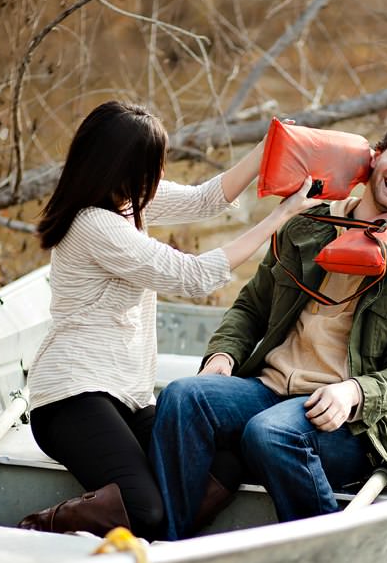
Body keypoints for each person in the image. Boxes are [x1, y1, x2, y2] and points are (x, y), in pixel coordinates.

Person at [150, 114, 387, 539]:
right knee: (184, 396)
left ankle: (323, 555)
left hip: (351, 426)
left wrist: (352, 392)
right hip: (269, 389)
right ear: (375, 158)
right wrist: (222, 355)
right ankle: (171, 545)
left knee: (270, 433)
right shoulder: (305, 226)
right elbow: (250, 309)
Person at [18, 101, 314, 540]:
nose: (158, 176)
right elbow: (193, 276)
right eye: (154, 165)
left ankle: (167, 544)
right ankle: (40, 527)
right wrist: (280, 217)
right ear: (124, 166)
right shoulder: (95, 224)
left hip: (129, 397)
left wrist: (266, 148)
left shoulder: (126, 203)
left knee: (231, 455)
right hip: (71, 398)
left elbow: (205, 199)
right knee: (146, 508)